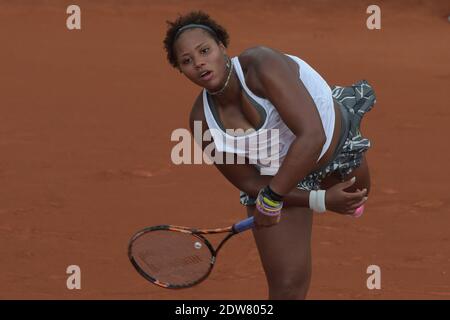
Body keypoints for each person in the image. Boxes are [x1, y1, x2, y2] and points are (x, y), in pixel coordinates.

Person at [163, 11, 375, 299]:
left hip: (332, 151)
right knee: (287, 287)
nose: (199, 63)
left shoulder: (262, 64)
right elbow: (250, 183)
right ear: (181, 70)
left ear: (222, 47)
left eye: (205, 50)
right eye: (187, 61)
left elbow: (313, 136)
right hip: (276, 179)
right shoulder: (201, 122)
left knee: (359, 195)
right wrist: (320, 200)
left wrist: (272, 198)